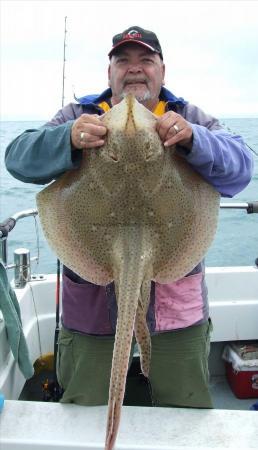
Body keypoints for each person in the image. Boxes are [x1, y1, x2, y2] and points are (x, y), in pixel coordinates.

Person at [5, 26, 253, 408]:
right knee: (84, 416)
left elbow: (242, 168)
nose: (134, 69)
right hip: (90, 312)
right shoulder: (79, 115)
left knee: (183, 420)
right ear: (110, 72)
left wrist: (194, 140)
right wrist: (68, 138)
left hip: (177, 313)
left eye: (146, 60)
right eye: (123, 60)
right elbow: (18, 157)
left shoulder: (189, 117)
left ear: (162, 70)